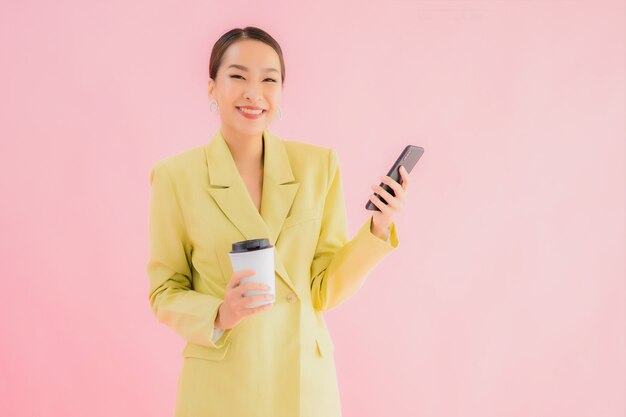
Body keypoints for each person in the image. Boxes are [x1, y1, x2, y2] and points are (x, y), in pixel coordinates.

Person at [147, 26, 411, 417]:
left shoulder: (318, 166)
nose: (254, 92)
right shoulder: (176, 176)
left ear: (281, 92)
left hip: (303, 384)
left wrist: (376, 231)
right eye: (237, 76)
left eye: (269, 79)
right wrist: (220, 313)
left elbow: (322, 289)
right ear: (211, 88)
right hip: (222, 389)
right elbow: (165, 291)